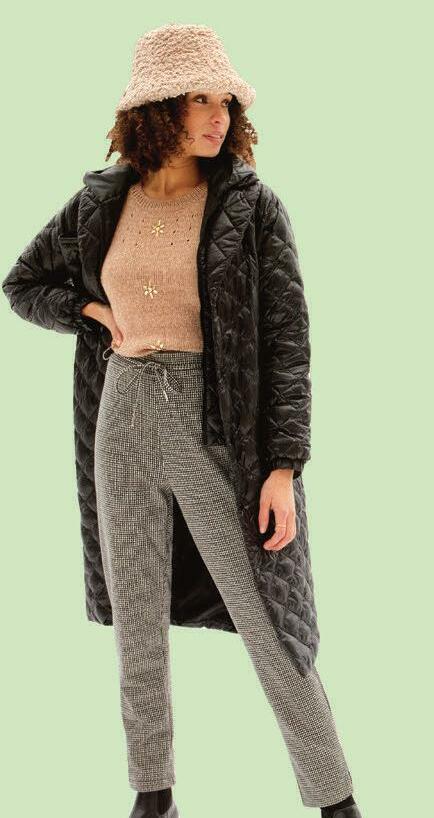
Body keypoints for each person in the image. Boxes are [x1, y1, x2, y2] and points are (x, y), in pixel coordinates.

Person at [2, 22, 363, 818]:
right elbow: (23, 283)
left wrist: (283, 467)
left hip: (215, 420)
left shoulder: (250, 207)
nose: (218, 116)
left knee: (268, 615)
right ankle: (153, 793)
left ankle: (336, 797)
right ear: (158, 108)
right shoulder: (102, 202)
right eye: (200, 99)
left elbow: (288, 341)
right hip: (123, 408)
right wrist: (89, 310)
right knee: (137, 615)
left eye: (225, 100)